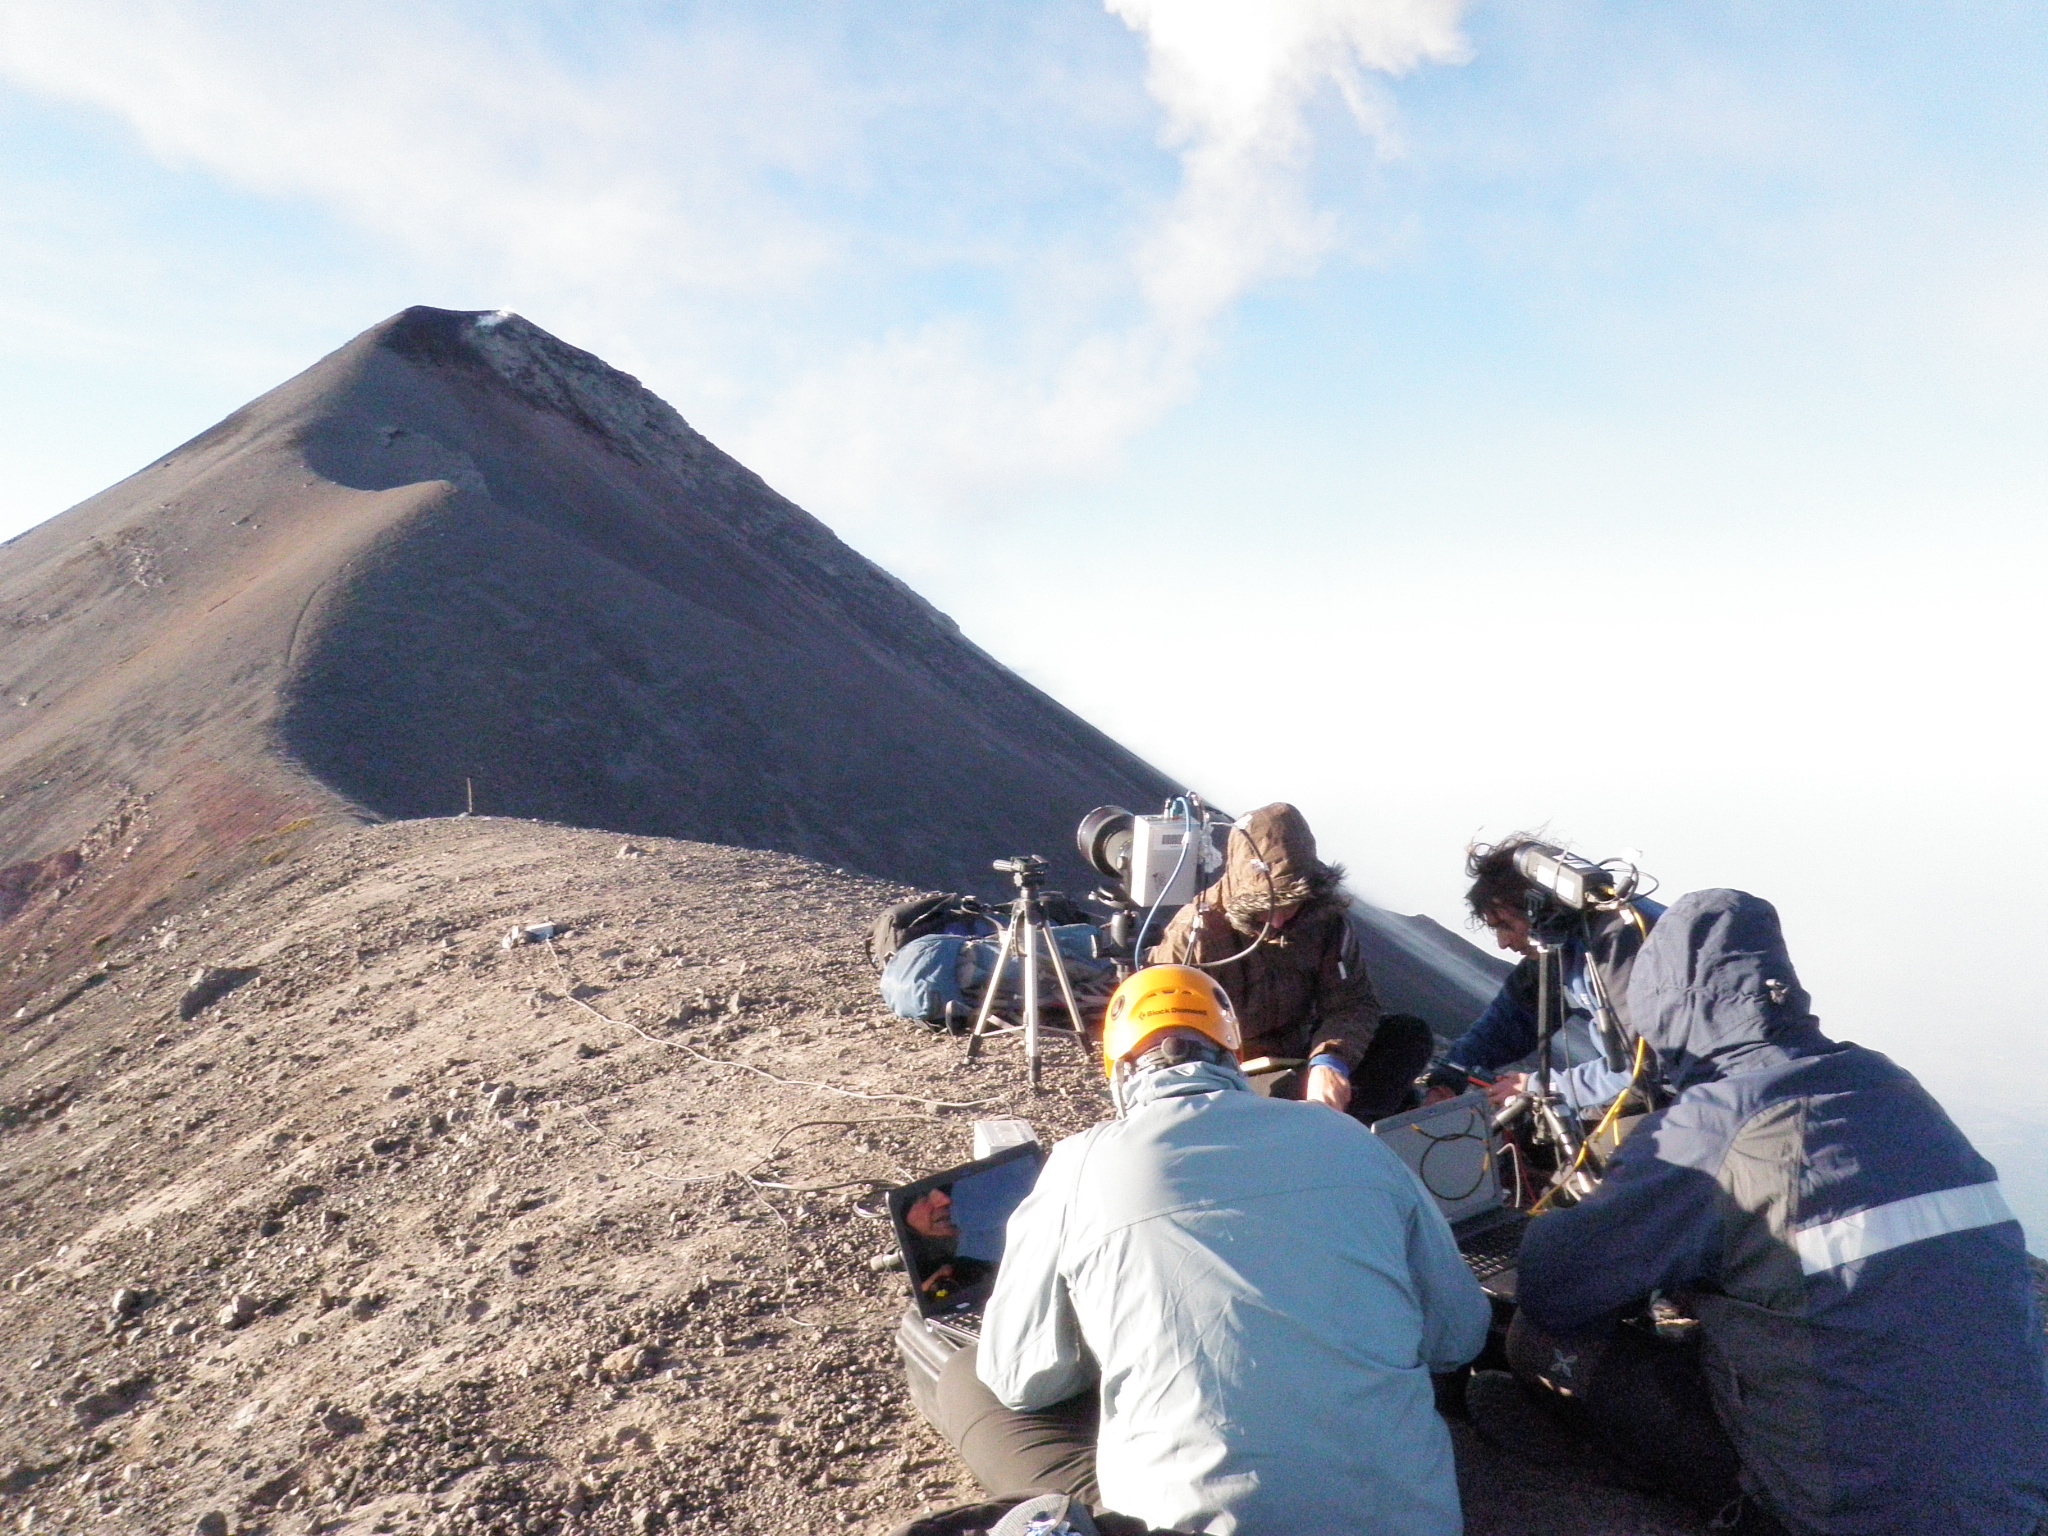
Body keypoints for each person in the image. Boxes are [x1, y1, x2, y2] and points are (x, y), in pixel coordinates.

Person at [1494, 888, 2048, 1533]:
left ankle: (1729, 1504)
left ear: (1664, 1008)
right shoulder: (1894, 1086)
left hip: (1856, 1511)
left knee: (1536, 1339)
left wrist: (1596, 1200)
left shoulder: (1711, 1125)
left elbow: (1553, 1286)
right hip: (2012, 1488)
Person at [935, 964, 1491, 1535]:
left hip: (1199, 1526)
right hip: (1412, 1523)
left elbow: (1020, 1378)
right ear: (1233, 1057)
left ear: (1118, 1074)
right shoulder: (1350, 1138)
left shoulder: (1079, 1164)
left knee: (966, 1377)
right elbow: (1460, 1334)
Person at [1147, 801, 1431, 1123]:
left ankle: (1335, 1127)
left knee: (1408, 1036)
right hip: (1235, 1075)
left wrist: (1330, 1061)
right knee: (1290, 1094)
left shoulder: (1324, 920)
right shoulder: (1195, 934)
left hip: (1304, 1054)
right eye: (1268, 906)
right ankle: (1338, 1131)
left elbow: (1352, 1002)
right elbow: (1165, 1037)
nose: (1280, 920)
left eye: (1291, 904)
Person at [1424, 834, 1662, 1113]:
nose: (1503, 942)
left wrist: (1539, 1087)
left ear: (1541, 907)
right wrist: (1452, 1073)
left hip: (1685, 1093)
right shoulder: (1562, 947)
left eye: (1505, 925)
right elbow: (1509, 1023)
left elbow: (1641, 1065)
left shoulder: (1617, 945)